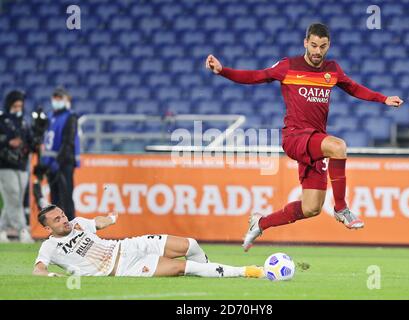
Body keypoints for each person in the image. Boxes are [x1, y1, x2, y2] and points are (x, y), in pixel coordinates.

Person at [205, 23, 404, 251]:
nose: (318, 51)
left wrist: (383, 99)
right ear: (305, 43)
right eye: (313, 45)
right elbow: (255, 76)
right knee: (338, 147)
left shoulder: (332, 70)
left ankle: (260, 223)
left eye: (323, 46)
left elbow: (354, 88)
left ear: (328, 45)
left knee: (311, 208)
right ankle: (341, 208)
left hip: (314, 142)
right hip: (294, 137)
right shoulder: (288, 66)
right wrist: (223, 71)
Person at [33, 205, 264, 278]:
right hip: (123, 268)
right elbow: (38, 270)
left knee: (190, 245)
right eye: (57, 219)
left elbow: (99, 223)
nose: (64, 220)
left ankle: (208, 272)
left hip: (128, 245)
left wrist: (111, 218)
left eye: (63, 214)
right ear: (47, 228)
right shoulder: (49, 247)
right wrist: (52, 275)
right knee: (185, 267)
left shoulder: (77, 223)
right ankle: (249, 271)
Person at [38, 87, 80, 221]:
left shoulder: (70, 117)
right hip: (51, 163)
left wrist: (58, 162)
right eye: (55, 98)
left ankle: (71, 228)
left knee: (66, 197)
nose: (56, 101)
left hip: (64, 163)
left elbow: (68, 142)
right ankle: (58, 231)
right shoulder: (49, 116)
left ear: (66, 100)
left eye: (59, 98)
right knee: (55, 199)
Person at [0, 90, 37, 243]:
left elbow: (30, 140)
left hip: (22, 165)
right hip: (5, 164)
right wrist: (7, 142)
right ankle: (23, 230)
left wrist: (35, 143)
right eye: (15, 105)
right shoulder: (1, 120)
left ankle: (2, 230)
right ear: (9, 105)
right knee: (14, 196)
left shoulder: (24, 122)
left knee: (14, 199)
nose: (17, 108)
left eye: (20, 105)